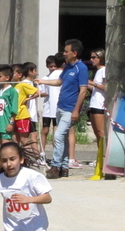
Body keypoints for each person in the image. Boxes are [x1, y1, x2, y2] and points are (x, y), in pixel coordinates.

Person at [37, 39, 89, 179]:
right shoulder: (67, 67)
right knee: (63, 138)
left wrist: (76, 110)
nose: (64, 54)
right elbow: (60, 81)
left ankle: (55, 166)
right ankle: (64, 167)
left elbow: (83, 91)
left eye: (67, 51)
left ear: (75, 53)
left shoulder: (81, 68)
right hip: (60, 107)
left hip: (70, 109)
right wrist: (42, 81)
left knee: (58, 136)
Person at [39, 54, 63, 166]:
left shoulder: (59, 77)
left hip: (56, 108)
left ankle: (56, 155)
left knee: (56, 132)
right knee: (45, 131)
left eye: (54, 66)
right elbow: (41, 93)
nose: (53, 68)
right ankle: (42, 153)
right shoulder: (45, 78)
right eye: (50, 66)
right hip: (48, 109)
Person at [87, 48, 107, 180]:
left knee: (101, 134)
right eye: (91, 57)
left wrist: (92, 83)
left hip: (100, 106)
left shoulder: (104, 70)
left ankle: (104, 162)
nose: (92, 60)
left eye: (94, 57)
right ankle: (99, 159)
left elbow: (106, 87)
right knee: (97, 134)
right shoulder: (97, 71)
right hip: (94, 105)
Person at [12, 63, 39, 154]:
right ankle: (18, 157)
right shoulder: (14, 86)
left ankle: (29, 158)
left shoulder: (23, 84)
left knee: (24, 140)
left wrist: (29, 98)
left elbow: (37, 92)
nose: (11, 75)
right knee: (15, 139)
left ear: (20, 75)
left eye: (13, 73)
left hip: (22, 116)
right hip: (15, 115)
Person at [0, 66, 18, 145]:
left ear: (7, 77)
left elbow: (14, 109)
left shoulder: (12, 91)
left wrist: (11, 123)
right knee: (1, 146)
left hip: (6, 122)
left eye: (0, 76)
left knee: (6, 145)